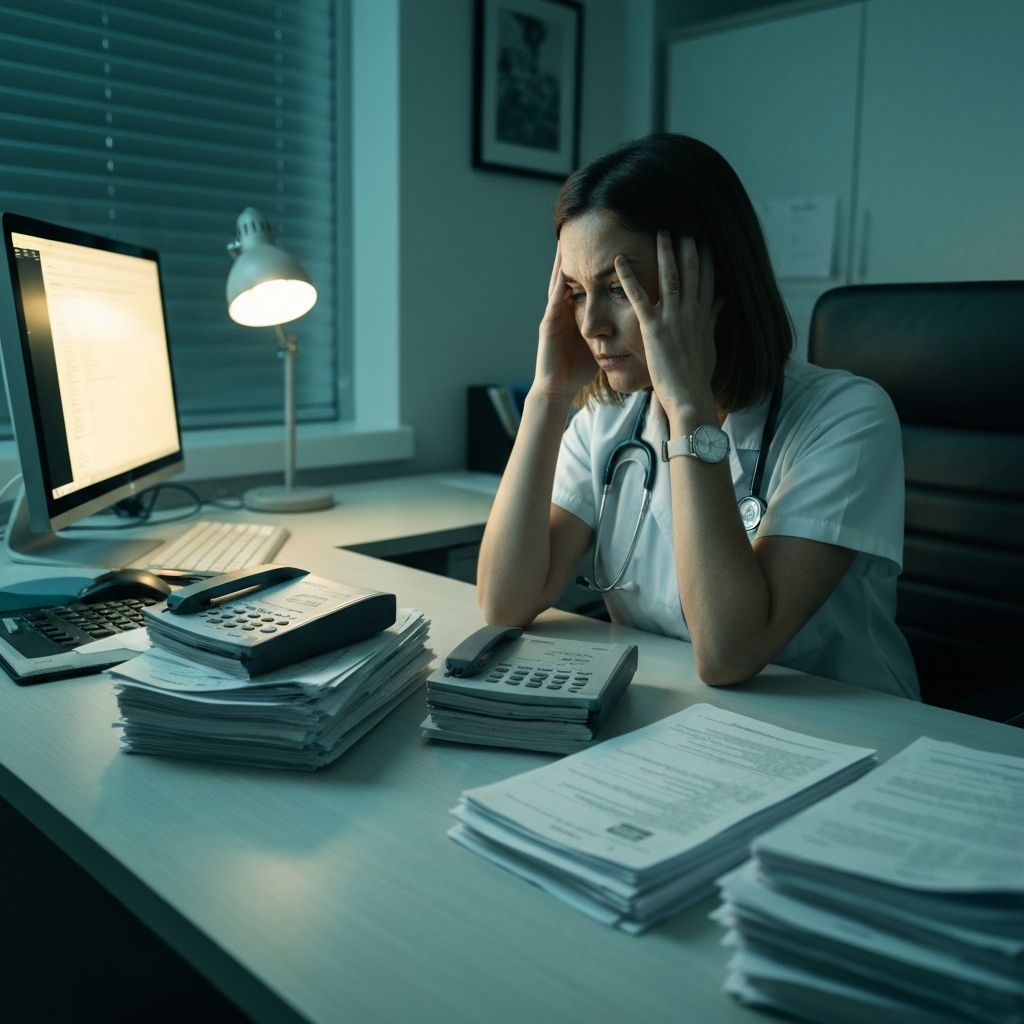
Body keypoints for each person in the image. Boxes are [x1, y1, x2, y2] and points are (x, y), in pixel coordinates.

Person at [476, 133, 919, 699]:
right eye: (576, 293)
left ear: (712, 277)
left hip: (849, 735)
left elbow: (729, 653)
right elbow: (503, 602)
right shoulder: (608, 421)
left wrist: (688, 409)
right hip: (674, 720)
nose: (591, 327)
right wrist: (547, 395)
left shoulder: (847, 417)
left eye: (618, 288)